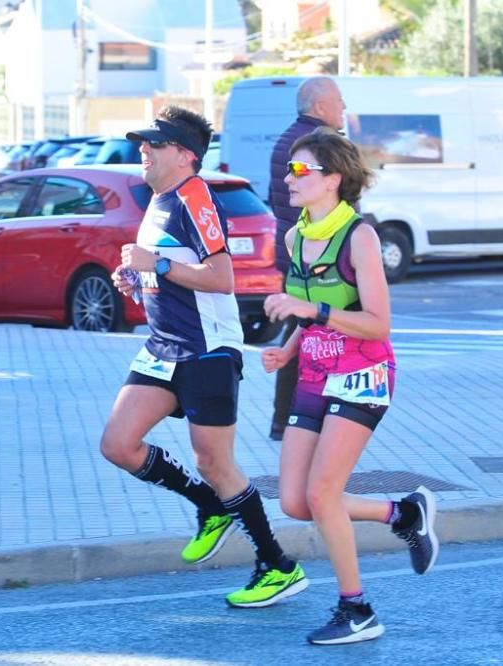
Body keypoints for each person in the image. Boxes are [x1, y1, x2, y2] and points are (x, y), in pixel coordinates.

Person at [102, 105, 308, 609]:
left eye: (155, 143)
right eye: (143, 143)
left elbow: (222, 278)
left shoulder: (196, 198)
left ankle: (277, 565)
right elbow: (168, 273)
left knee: (215, 462)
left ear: (185, 155)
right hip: (163, 348)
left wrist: (160, 263)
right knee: (118, 444)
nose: (143, 150)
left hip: (206, 351)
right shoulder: (160, 199)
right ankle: (208, 507)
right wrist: (138, 280)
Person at [261, 127, 439, 645]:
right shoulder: (295, 236)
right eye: (288, 169)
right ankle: (404, 512)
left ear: (333, 179)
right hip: (315, 374)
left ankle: (357, 609)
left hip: (364, 374)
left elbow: (379, 323)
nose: (289, 179)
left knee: (323, 492)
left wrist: (310, 310)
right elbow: (306, 312)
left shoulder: (360, 237)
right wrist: (287, 348)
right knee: (296, 501)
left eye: (300, 170)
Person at [267, 76, 346, 441]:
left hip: (303, 251)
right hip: (317, 255)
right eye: (339, 101)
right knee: (315, 332)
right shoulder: (318, 148)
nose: (344, 108)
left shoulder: (289, 140)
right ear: (319, 107)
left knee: (303, 331)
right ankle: (300, 418)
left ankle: (292, 418)